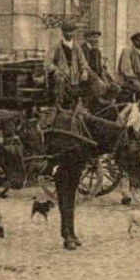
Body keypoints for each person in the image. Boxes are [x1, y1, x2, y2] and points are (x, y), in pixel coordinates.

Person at [48, 91, 88, 251]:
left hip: (73, 159)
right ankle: (67, 233)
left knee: (69, 196)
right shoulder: (65, 120)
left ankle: (69, 231)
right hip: (64, 160)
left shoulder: (79, 119)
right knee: (66, 195)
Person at [48, 21, 95, 106]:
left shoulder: (76, 47)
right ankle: (58, 103)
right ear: (63, 32)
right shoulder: (56, 46)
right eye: (67, 31)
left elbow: (83, 62)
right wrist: (56, 70)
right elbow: (48, 62)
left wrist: (84, 71)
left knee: (89, 82)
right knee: (60, 81)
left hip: (74, 77)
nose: (69, 34)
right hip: (62, 76)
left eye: (71, 31)